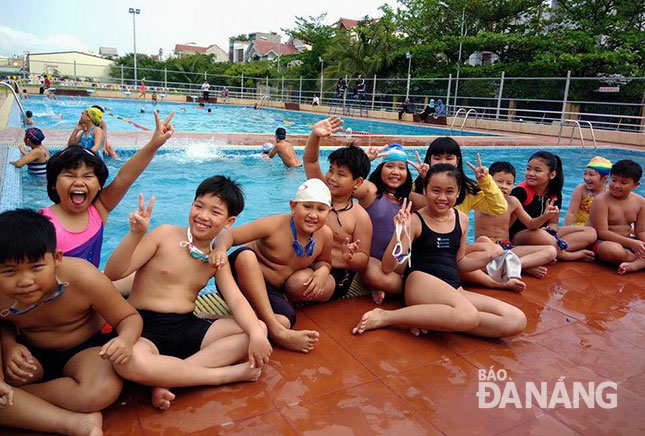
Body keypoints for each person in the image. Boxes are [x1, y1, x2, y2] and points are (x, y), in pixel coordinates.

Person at [104, 178, 270, 409]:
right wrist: (135, 235)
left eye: (215, 212)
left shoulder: (215, 258)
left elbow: (235, 299)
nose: (203, 215)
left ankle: (167, 379)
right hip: (143, 326)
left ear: (228, 222)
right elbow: (114, 272)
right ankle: (222, 376)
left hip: (185, 326)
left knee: (257, 329)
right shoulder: (164, 235)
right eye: (199, 206)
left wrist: (257, 334)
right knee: (126, 361)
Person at [352, 165, 527, 337]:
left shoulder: (462, 220)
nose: (442, 197)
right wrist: (400, 232)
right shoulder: (415, 220)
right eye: (435, 190)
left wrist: (487, 259)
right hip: (420, 283)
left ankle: (432, 319)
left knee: (515, 319)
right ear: (425, 191)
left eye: (449, 191)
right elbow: (388, 266)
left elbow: (460, 262)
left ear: (458, 193)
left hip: (452, 287)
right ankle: (386, 316)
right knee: (469, 315)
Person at [0, 209, 142, 419]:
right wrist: (10, 344)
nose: (25, 281)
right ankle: (28, 404)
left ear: (57, 258)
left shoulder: (84, 278)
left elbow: (128, 318)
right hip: (31, 351)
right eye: (10, 271)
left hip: (85, 350)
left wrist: (125, 340)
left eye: (36, 267)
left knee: (100, 391)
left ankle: (19, 402)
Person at [210, 179, 335, 353]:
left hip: (269, 290)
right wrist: (221, 250)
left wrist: (323, 270)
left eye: (321, 209)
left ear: (328, 213)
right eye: (307, 207)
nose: (313, 215)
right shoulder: (274, 225)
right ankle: (277, 332)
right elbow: (227, 236)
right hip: (238, 279)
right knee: (247, 256)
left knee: (284, 320)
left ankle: (217, 321)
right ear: (293, 206)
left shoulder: (326, 235)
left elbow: (325, 261)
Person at [44, 110, 175, 269]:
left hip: (93, 288)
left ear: (99, 184)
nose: (79, 182)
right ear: (53, 183)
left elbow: (124, 178)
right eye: (70, 176)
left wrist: (154, 145)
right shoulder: (42, 222)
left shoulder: (98, 210)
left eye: (87, 176)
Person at [411, 137, 513, 291]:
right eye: (437, 158)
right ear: (429, 160)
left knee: (493, 248)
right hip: (427, 253)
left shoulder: (467, 189)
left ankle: (481, 275)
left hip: (454, 251)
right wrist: (424, 180)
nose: (443, 162)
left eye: (449, 158)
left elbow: (499, 207)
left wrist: (485, 181)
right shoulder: (417, 187)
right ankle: (492, 281)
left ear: (457, 161)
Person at [303, 116, 373, 301]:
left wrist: (349, 257)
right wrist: (315, 135)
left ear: (357, 182)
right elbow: (310, 162)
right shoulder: (321, 193)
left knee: (298, 283)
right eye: (331, 170)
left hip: (337, 274)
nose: (332, 178)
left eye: (341, 174)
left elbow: (363, 258)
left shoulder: (360, 217)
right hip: (304, 262)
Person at [354, 142, 426, 304]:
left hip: (398, 259)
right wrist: (364, 160)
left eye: (401, 168)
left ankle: (396, 288)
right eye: (390, 166)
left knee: (424, 265)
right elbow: (348, 185)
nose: (395, 172)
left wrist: (424, 180)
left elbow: (436, 205)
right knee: (371, 273)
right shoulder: (371, 192)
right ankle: (418, 293)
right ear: (380, 169)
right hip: (372, 259)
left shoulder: (408, 198)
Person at [475, 161, 558, 282]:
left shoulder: (512, 202)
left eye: (509, 183)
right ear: (489, 182)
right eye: (499, 181)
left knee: (551, 251)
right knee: (483, 240)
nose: (504, 186)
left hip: (506, 247)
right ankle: (519, 266)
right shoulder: (480, 198)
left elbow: (530, 224)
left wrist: (545, 216)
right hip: (485, 247)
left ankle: (512, 266)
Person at [510, 151, 597, 261]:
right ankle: (566, 255)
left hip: (544, 234)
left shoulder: (554, 194)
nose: (530, 173)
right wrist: (545, 230)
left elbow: (553, 223)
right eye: (528, 169)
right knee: (542, 235)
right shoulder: (520, 192)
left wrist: (550, 230)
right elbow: (511, 225)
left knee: (590, 232)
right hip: (519, 236)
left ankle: (553, 250)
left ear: (552, 174)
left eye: (537, 170)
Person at [590, 160, 645, 274]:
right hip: (602, 242)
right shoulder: (601, 200)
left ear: (635, 185)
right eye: (614, 180)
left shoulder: (640, 202)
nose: (616, 185)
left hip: (628, 242)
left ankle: (636, 263)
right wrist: (631, 243)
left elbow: (641, 231)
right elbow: (602, 232)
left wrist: (638, 243)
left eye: (623, 183)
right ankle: (639, 261)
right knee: (613, 250)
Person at [564, 156, 611, 226]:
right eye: (585, 173)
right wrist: (564, 230)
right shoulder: (581, 190)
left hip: (601, 227)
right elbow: (571, 212)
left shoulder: (609, 192)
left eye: (591, 175)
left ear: (604, 179)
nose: (586, 178)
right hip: (581, 226)